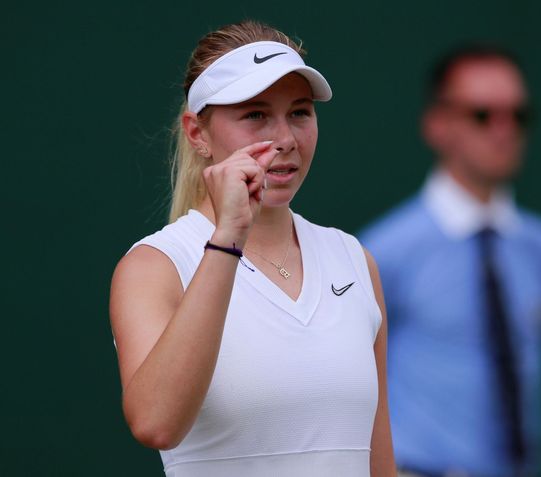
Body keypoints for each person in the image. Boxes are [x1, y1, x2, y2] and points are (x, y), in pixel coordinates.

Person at [109, 20, 395, 477]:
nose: (285, 139)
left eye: (300, 112)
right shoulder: (155, 266)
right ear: (197, 133)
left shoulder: (354, 261)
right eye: (256, 115)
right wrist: (228, 238)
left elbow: (379, 463)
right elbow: (156, 423)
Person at [360, 46, 541, 477]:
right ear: (438, 124)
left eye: (518, 115)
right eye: (482, 114)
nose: (504, 130)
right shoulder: (384, 250)